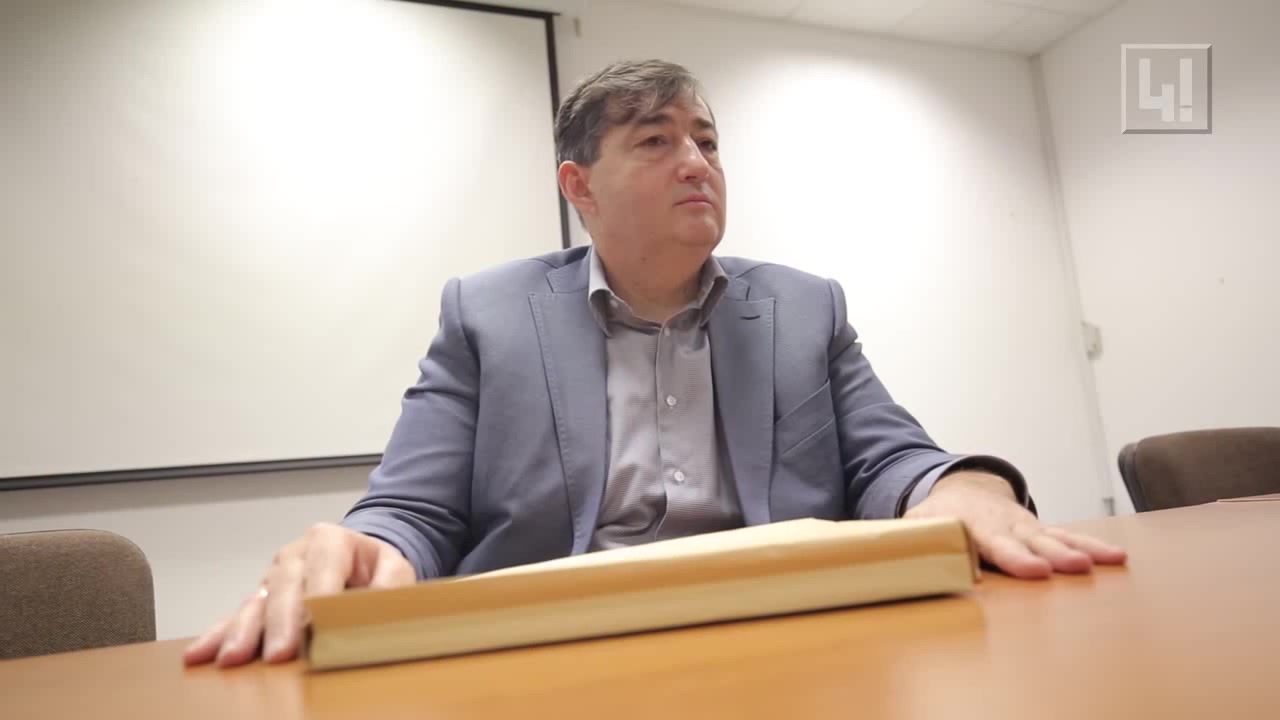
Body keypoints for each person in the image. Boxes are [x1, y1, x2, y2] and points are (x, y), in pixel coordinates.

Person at [184, 59, 1126, 668]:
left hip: (788, 636)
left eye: (707, 142)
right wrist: (371, 552)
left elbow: (891, 460)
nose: (697, 162)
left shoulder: (804, 306)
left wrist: (963, 487)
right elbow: (416, 511)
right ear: (580, 186)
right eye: (656, 141)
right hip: (554, 652)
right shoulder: (486, 313)